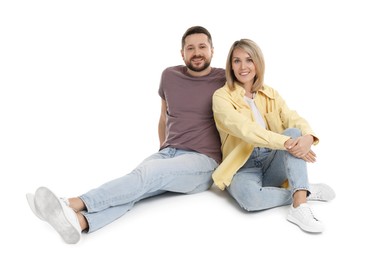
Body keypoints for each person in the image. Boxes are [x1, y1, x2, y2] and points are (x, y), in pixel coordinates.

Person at [26, 25, 226, 244]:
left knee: (144, 176)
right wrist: (164, 148)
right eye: (190, 48)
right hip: (169, 152)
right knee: (134, 188)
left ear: (212, 50)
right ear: (182, 53)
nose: (196, 52)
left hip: (203, 162)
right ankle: (80, 222)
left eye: (202, 47)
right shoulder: (170, 75)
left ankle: (69, 204)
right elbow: (163, 116)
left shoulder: (224, 80)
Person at [211, 39, 335, 233]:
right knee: (249, 200)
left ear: (257, 63)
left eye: (249, 60)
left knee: (295, 132)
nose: (243, 67)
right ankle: (301, 191)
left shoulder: (270, 93)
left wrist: (308, 137)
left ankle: (299, 206)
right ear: (230, 65)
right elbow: (246, 129)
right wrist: (285, 142)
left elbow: (292, 118)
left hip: (272, 159)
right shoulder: (221, 97)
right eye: (236, 61)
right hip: (242, 166)